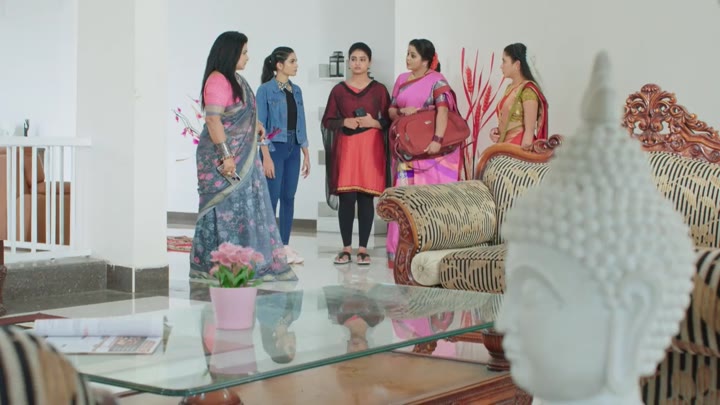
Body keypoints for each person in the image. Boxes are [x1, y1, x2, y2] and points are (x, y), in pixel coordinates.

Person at [190, 31, 295, 282]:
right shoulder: (218, 80)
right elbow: (214, 120)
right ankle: (217, 267)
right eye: (244, 52)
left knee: (243, 209)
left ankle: (245, 264)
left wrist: (255, 125)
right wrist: (226, 156)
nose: (248, 57)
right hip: (221, 160)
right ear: (231, 53)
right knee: (223, 209)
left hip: (242, 158)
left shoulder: (237, 80)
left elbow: (239, 114)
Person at [386, 38, 461, 267]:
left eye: (413, 55)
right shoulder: (401, 80)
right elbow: (391, 110)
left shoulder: (437, 81)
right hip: (407, 150)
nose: (408, 59)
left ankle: (431, 251)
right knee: (404, 197)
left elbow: (443, 112)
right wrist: (402, 112)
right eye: (407, 54)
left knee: (430, 199)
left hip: (432, 152)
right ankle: (400, 251)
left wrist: (437, 139)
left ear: (426, 60)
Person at [321, 42, 391, 266]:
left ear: (369, 62)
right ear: (348, 62)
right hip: (347, 149)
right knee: (347, 198)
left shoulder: (379, 90)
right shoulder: (339, 90)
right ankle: (345, 248)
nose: (358, 63)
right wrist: (344, 122)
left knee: (365, 198)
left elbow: (389, 120)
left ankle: (363, 249)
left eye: (362, 59)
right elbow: (327, 120)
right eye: (354, 59)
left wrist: (374, 122)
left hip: (370, 149)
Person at [256, 47, 310, 265]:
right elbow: (260, 125)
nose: (296, 65)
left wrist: (306, 153)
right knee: (272, 197)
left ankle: (284, 245)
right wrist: (266, 156)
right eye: (292, 61)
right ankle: (268, 247)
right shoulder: (265, 90)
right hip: (274, 149)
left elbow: (301, 121)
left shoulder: (296, 91)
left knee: (289, 196)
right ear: (279, 65)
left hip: (293, 147)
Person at [489, 43, 549, 148]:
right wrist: (496, 132)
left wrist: (522, 157)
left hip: (518, 150)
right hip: (504, 147)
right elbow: (509, 122)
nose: (501, 66)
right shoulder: (510, 88)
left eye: (504, 61)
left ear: (517, 64)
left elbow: (529, 131)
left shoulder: (528, 91)